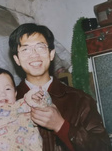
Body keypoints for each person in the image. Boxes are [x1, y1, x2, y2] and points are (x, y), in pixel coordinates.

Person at [9, 23, 112, 151]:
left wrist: (61, 126)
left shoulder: (80, 100)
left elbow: (103, 147)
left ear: (51, 54)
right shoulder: (7, 102)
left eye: (40, 47)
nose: (34, 54)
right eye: (25, 49)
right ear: (17, 59)